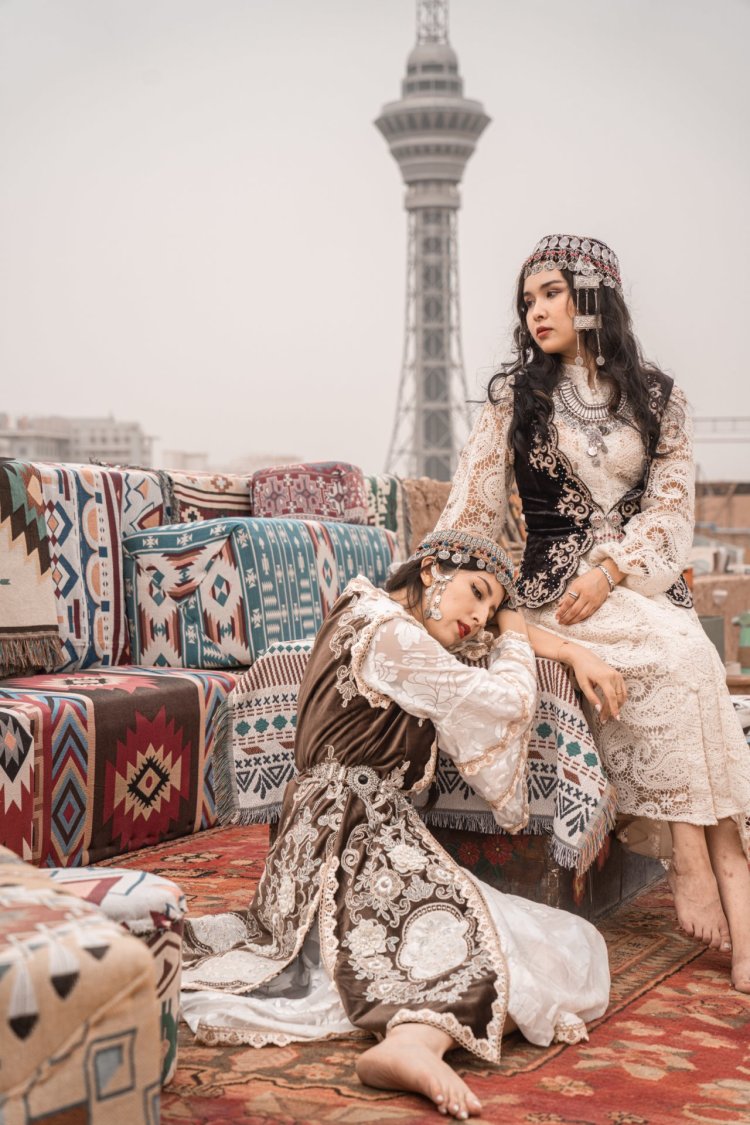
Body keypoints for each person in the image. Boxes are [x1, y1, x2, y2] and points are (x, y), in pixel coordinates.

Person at [180, 528, 612, 1120]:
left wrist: (562, 647)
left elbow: (473, 674)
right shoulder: (390, 634)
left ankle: (413, 1041)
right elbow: (506, 703)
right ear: (431, 570)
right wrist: (515, 631)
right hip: (350, 837)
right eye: (477, 593)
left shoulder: (374, 617)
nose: (480, 619)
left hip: (336, 831)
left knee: (551, 945)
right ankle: (411, 1043)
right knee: (522, 949)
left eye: (490, 612)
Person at [437, 233, 750, 993]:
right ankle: (708, 870)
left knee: (692, 657)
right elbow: (472, 513)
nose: (536, 311)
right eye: (527, 300)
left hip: (638, 586)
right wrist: (448, 583)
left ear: (592, 296)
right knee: (684, 659)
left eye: (551, 293)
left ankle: (719, 869)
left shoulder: (661, 398)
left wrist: (612, 569)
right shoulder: (516, 398)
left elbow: (672, 514)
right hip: (557, 597)